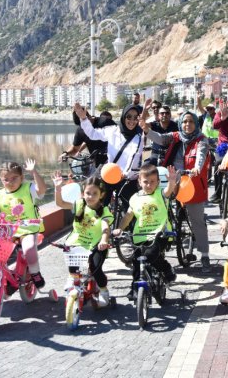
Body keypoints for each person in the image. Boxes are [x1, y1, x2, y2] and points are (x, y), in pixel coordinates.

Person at [142, 104, 213, 272]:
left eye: (190, 121)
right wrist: (146, 130)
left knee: (197, 221)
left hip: (193, 183)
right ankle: (160, 248)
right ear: (180, 123)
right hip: (174, 180)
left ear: (196, 123)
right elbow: (159, 138)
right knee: (162, 211)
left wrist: (197, 167)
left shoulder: (201, 139)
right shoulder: (175, 136)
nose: (187, 125)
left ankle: (204, 255)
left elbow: (201, 155)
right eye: (184, 122)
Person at [114, 164, 179, 300]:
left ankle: (166, 269)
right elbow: (128, 216)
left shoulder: (160, 194)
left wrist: (172, 181)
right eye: (145, 182)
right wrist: (120, 228)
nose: (149, 185)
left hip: (159, 234)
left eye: (152, 182)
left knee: (150, 255)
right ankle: (136, 287)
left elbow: (168, 191)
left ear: (158, 182)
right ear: (139, 181)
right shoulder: (135, 198)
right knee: (137, 262)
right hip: (140, 236)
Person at [51, 174, 113, 307]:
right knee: (72, 260)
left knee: (95, 268)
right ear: (82, 193)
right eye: (87, 193)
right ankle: (72, 277)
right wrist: (58, 188)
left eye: (94, 193)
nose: (90, 196)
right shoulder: (79, 205)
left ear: (101, 195)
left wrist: (103, 240)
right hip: (77, 241)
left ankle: (103, 291)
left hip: (96, 244)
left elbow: (105, 227)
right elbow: (60, 203)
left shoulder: (104, 211)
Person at [75, 102, 145, 212]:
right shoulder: (113, 130)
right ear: (123, 116)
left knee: (132, 209)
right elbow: (93, 134)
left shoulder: (139, 137)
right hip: (109, 173)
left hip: (127, 176)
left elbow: (134, 157)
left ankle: (127, 228)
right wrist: (84, 119)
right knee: (99, 205)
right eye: (129, 116)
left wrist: (124, 174)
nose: (132, 121)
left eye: (135, 117)